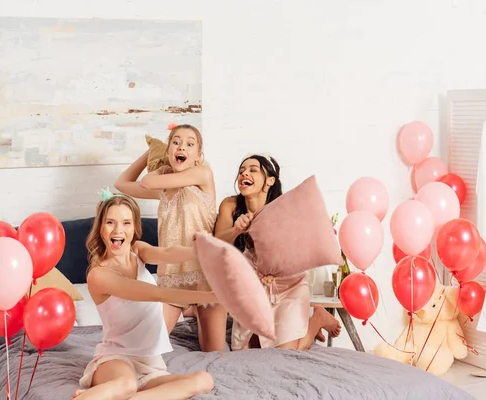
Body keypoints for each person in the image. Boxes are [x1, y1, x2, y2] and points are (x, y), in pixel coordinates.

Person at [73, 192, 215, 400]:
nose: (118, 230)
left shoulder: (138, 251)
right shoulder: (99, 275)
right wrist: (211, 295)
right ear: (101, 227)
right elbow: (155, 294)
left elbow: (167, 253)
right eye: (110, 222)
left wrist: (197, 250)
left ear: (134, 228)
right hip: (115, 358)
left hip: (149, 363)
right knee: (126, 384)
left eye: (126, 223)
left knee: (204, 380)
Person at [114, 124, 227, 353]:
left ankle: (194, 309)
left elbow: (149, 181)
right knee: (149, 348)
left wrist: (161, 165)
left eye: (189, 143)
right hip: (174, 275)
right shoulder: (164, 190)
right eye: (175, 142)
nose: (181, 146)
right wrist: (150, 152)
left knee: (214, 353)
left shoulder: (202, 173)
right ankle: (188, 308)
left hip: (206, 273)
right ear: (168, 151)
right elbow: (121, 184)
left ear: (198, 156)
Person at [214, 154, 341, 351]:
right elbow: (216, 245)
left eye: (253, 170)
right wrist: (236, 230)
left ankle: (317, 319)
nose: (244, 173)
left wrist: (276, 271)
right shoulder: (230, 206)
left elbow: (297, 250)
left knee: (285, 352)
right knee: (244, 350)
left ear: (270, 181)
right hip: (253, 281)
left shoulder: (283, 209)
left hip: (288, 283)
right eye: (241, 171)